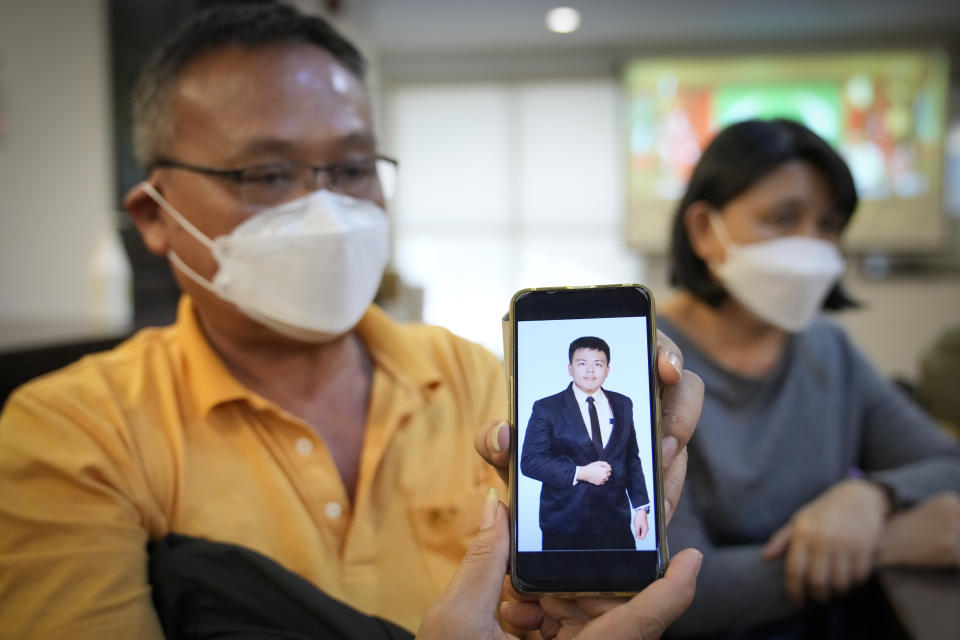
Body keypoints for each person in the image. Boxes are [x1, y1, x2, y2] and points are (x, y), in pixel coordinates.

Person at [0, 3, 706, 639]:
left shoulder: (469, 375)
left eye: (354, 167)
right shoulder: (73, 431)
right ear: (155, 216)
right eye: (268, 175)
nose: (327, 211)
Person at [657, 118, 960, 638]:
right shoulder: (650, 363)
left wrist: (871, 499)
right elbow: (675, 591)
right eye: (783, 217)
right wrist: (883, 542)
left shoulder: (829, 349)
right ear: (705, 230)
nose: (814, 246)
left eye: (827, 225)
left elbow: (946, 463)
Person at [521, 336, 650, 550]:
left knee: (624, 582)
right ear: (570, 368)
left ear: (608, 369)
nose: (590, 370)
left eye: (598, 364)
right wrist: (580, 472)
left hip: (615, 522)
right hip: (564, 523)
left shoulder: (623, 404)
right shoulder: (547, 408)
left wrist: (641, 508)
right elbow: (530, 462)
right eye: (582, 363)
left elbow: (631, 458)